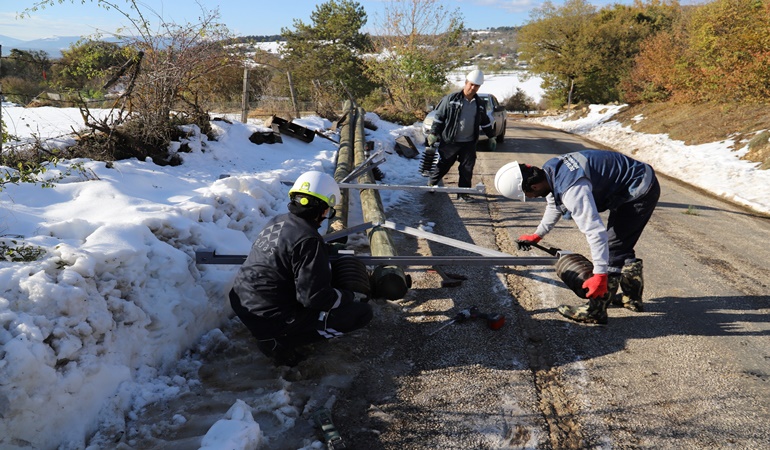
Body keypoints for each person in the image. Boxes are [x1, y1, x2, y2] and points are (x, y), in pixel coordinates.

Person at [494, 150, 660, 324]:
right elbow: (555, 205)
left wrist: (600, 275)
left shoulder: (572, 189)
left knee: (614, 247)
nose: (531, 198)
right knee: (622, 243)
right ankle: (632, 300)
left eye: (528, 195)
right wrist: (538, 234)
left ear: (533, 186)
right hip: (632, 180)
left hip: (640, 188)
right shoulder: (550, 170)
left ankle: (596, 311)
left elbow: (595, 231)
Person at [229, 170, 373, 365]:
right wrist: (347, 296)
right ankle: (279, 341)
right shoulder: (308, 240)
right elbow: (314, 298)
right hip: (272, 317)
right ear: (323, 209)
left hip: (245, 304)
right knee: (361, 313)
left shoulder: (277, 221)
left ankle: (275, 330)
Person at [426, 69, 497, 202]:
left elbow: (485, 122)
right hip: (450, 140)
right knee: (444, 164)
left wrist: (491, 136)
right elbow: (439, 118)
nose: (473, 88)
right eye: (471, 84)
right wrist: (434, 133)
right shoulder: (450, 99)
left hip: (469, 142)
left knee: (467, 168)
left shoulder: (479, 104)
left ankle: (463, 193)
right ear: (465, 83)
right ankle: (432, 183)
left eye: (476, 86)